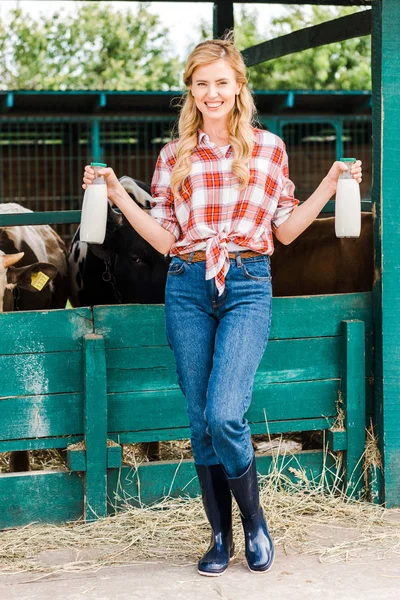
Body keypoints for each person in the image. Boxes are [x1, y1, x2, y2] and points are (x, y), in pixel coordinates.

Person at [82, 38, 362, 577]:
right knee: (198, 419)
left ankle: (255, 522)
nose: (212, 93)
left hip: (248, 282)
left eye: (221, 82)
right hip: (186, 283)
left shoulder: (269, 148)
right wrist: (118, 195)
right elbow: (165, 240)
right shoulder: (174, 155)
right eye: (201, 83)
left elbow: (282, 229)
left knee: (224, 413)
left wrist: (329, 182)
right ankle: (218, 534)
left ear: (238, 88)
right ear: (191, 90)